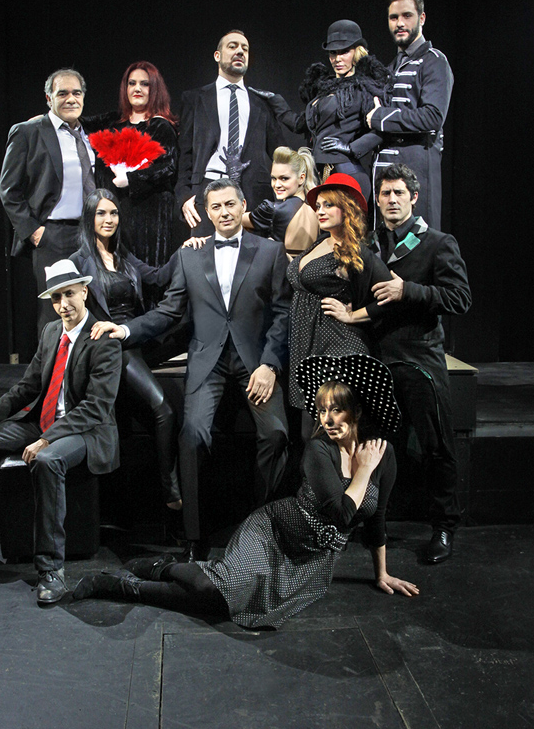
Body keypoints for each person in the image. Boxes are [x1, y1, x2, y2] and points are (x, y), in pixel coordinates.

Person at [71, 353, 419, 630]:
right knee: (212, 590)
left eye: (336, 410)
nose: (326, 419)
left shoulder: (382, 453)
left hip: (309, 559)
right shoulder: (318, 451)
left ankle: (151, 573)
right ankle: (132, 581)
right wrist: (364, 470)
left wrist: (382, 574)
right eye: (321, 410)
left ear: (356, 411)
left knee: (219, 602)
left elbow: (377, 517)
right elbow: (342, 513)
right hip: (273, 531)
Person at [92, 178, 291, 555]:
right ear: (207, 213)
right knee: (192, 435)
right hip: (208, 361)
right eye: (216, 207)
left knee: (277, 433)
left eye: (230, 204)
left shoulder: (270, 251)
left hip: (255, 362)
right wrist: (127, 329)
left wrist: (269, 365)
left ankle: (263, 529)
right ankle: (195, 537)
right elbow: (169, 311)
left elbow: (283, 313)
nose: (224, 212)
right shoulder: (191, 256)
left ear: (243, 205)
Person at [0, 260, 122, 605]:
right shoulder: (51, 332)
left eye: (69, 294)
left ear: (84, 291)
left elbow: (96, 407)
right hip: (41, 422)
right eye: (56, 297)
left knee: (47, 460)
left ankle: (51, 570)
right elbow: (26, 387)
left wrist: (47, 439)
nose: (63, 304)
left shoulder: (102, 339)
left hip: (85, 430)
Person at [368, 163, 471, 563]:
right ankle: (375, 524)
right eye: (385, 193)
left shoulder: (438, 242)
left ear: (414, 197)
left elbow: (459, 299)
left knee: (436, 447)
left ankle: (444, 527)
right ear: (378, 200)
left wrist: (407, 290)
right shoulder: (371, 242)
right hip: (379, 361)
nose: (392, 200)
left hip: (420, 360)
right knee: (380, 448)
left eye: (399, 193)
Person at [68, 188, 182, 510]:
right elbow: (74, 315)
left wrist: (185, 250)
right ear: (89, 218)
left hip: (136, 336)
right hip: (113, 345)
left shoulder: (123, 255)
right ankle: (170, 489)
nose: (109, 219)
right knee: (163, 409)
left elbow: (158, 277)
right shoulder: (78, 262)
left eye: (114, 213)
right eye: (101, 213)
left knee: (188, 328)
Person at [286, 173, 391, 435]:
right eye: (318, 206)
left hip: (336, 347)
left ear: (347, 208)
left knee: (326, 433)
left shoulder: (357, 250)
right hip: (307, 345)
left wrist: (353, 315)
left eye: (328, 205)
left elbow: (391, 298)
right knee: (310, 434)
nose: (320, 211)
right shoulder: (321, 242)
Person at [0, 68, 97, 335]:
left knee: (92, 306)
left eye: (76, 93)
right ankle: (52, 363)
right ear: (48, 98)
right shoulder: (28, 132)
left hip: (91, 234)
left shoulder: (90, 134)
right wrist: (34, 231)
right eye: (62, 93)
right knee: (56, 311)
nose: (71, 99)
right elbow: (8, 190)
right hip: (53, 235)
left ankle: (87, 361)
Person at [357, 0, 454, 229]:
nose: (399, 23)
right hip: (385, 175)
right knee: (383, 245)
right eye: (394, 17)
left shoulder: (434, 61)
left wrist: (381, 117)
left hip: (415, 174)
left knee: (417, 245)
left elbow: (432, 117)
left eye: (407, 15)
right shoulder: (392, 67)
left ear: (422, 18)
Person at [269, 21, 393, 205]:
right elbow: (298, 124)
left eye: (344, 52)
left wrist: (351, 148)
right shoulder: (325, 88)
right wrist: (274, 100)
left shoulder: (364, 88)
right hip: (320, 173)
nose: (337, 59)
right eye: (333, 53)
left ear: (357, 52)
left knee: (347, 225)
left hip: (346, 173)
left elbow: (382, 129)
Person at [176, 30, 286, 236]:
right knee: (205, 255)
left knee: (251, 256)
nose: (240, 52)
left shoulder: (262, 102)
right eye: (233, 46)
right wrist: (183, 195)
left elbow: (280, 153)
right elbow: (185, 153)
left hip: (253, 196)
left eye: (245, 49)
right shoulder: (195, 99)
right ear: (217, 56)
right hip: (206, 192)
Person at [84, 61, 178, 271]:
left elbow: (168, 168)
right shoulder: (112, 123)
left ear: (155, 89)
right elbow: (77, 121)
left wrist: (131, 179)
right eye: (132, 83)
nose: (137, 89)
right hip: (115, 213)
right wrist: (46, 119)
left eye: (145, 84)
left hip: (150, 216)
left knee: (148, 273)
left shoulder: (160, 126)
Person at [242, 146, 320, 258]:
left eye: (284, 178)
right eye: (274, 178)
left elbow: (235, 219)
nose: (277, 185)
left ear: (301, 178)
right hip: (309, 267)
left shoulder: (272, 210)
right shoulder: (317, 207)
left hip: (283, 268)